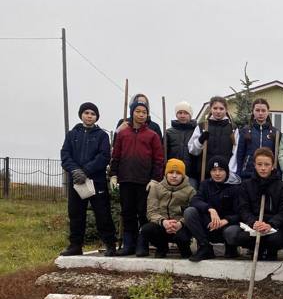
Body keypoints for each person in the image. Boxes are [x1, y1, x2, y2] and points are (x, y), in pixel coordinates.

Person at [59, 102, 116, 257]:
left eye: (93, 114)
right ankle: (75, 245)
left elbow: (104, 156)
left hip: (96, 181)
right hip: (77, 182)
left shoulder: (102, 136)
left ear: (96, 117)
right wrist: (75, 170)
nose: (89, 116)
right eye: (86, 113)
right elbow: (65, 155)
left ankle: (110, 244)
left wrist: (86, 170)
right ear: (81, 115)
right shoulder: (72, 135)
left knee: (102, 213)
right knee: (76, 214)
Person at [110, 99, 164, 255]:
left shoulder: (152, 135)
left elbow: (159, 159)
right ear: (132, 113)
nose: (141, 115)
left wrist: (155, 178)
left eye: (144, 112)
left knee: (143, 213)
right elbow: (116, 155)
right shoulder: (122, 134)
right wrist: (113, 174)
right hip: (126, 179)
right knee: (127, 212)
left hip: (144, 181)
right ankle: (129, 244)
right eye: (138, 111)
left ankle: (142, 244)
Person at [232, 148, 283, 261]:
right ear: (254, 165)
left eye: (267, 164)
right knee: (240, 238)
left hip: (273, 227)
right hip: (254, 225)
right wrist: (253, 223)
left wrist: (270, 224)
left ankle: (271, 252)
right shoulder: (246, 185)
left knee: (276, 239)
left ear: (272, 166)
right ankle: (256, 251)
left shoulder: (282, 187)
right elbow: (243, 209)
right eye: (259, 164)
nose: (263, 168)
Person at [183, 156, 240, 262]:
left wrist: (225, 221)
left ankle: (231, 248)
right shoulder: (205, 184)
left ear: (226, 171)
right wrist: (210, 209)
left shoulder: (235, 187)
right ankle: (205, 247)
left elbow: (240, 212)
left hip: (226, 226)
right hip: (210, 225)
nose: (217, 173)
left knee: (231, 232)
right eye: (214, 170)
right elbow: (195, 200)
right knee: (189, 212)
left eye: (221, 170)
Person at [137, 159, 195, 258]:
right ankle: (162, 247)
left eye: (178, 173)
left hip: (180, 227)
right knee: (147, 229)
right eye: (171, 172)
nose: (174, 176)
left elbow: (193, 212)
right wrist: (163, 222)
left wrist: (180, 223)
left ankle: (185, 248)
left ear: (183, 175)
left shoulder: (190, 191)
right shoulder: (156, 188)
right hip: (162, 226)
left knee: (183, 237)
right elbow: (151, 212)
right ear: (166, 173)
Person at [188, 96, 240, 183]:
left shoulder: (232, 128)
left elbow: (235, 152)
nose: (218, 111)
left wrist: (230, 171)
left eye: (221, 108)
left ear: (226, 109)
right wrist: (200, 141)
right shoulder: (202, 127)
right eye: (215, 108)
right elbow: (192, 150)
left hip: (224, 174)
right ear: (210, 109)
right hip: (205, 173)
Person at [236, 98, 278, 182]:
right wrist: (239, 173)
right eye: (257, 110)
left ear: (268, 112)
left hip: (268, 174)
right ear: (253, 111)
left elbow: (277, 155)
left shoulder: (275, 132)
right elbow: (240, 154)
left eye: (263, 110)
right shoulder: (245, 131)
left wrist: (277, 173)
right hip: (248, 174)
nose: (260, 113)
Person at [165, 101, 198, 188]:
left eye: (186, 113)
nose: (182, 115)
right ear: (176, 115)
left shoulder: (196, 132)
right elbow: (163, 153)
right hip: (173, 173)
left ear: (190, 115)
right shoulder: (168, 132)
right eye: (180, 113)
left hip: (191, 174)